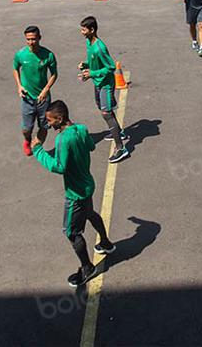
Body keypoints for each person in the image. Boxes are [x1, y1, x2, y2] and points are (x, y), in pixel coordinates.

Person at [32, 100, 117, 288]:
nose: (49, 124)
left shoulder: (63, 139)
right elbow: (91, 147)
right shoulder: (81, 128)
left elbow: (59, 166)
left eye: (50, 120)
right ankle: (105, 243)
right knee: (90, 214)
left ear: (60, 119)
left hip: (75, 193)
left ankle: (87, 268)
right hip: (88, 185)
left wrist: (38, 150)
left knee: (71, 232)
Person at [78, 16, 131, 164]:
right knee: (101, 107)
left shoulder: (99, 47)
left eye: (83, 29)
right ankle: (119, 132)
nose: (81, 32)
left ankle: (121, 148)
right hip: (97, 83)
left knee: (106, 112)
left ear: (92, 30)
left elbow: (110, 67)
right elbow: (95, 62)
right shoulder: (89, 43)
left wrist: (92, 73)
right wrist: (86, 65)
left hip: (106, 85)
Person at [13, 26, 58, 157]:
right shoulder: (21, 54)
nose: (31, 42)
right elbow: (15, 68)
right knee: (26, 129)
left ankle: (37, 146)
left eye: (33, 39)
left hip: (43, 98)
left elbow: (54, 74)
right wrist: (19, 85)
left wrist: (46, 89)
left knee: (44, 126)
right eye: (28, 39)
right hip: (27, 98)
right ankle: (27, 140)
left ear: (39, 38)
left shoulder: (48, 55)